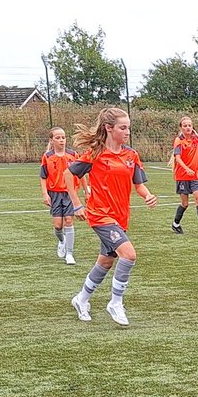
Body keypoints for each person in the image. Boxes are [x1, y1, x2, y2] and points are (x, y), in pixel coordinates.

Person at [67, 107, 158, 327]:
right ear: (109, 128)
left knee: (106, 262)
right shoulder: (95, 154)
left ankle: (81, 299)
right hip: (100, 215)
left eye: (128, 128)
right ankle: (115, 303)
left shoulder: (131, 155)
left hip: (120, 217)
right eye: (123, 128)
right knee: (128, 255)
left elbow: (139, 184)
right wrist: (77, 204)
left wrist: (147, 195)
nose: (127, 132)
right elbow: (68, 175)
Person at [39, 126, 84, 265]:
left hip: (70, 193)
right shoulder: (47, 157)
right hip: (55, 194)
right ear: (51, 140)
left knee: (69, 221)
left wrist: (86, 190)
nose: (61, 140)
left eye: (63, 137)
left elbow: (80, 173)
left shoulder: (73, 155)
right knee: (58, 225)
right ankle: (62, 241)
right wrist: (45, 194)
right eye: (58, 138)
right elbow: (43, 176)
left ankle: (69, 254)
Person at [171, 115, 198, 237]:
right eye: (185, 126)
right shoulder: (179, 140)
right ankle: (176, 223)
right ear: (181, 127)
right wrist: (186, 168)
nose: (188, 127)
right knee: (185, 204)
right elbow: (177, 158)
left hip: (195, 176)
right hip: (182, 176)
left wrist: (197, 135)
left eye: (190, 125)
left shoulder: (196, 140)